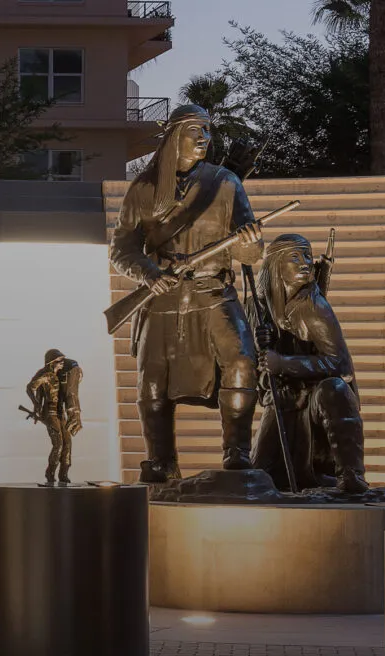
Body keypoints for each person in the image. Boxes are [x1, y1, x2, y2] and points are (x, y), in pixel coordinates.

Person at [109, 104, 265, 483]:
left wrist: (248, 244)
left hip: (214, 292)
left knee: (243, 362)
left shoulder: (226, 182)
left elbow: (251, 254)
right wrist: (148, 273)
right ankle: (161, 462)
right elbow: (122, 248)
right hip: (162, 297)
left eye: (208, 131)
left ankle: (237, 455)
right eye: (196, 130)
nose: (204, 138)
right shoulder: (143, 189)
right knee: (151, 385)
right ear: (174, 136)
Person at [250, 234, 371, 495]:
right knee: (260, 475)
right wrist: (262, 351)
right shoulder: (258, 306)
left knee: (334, 389)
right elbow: (253, 370)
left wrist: (283, 362)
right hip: (284, 400)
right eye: (295, 257)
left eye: (307, 255)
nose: (305, 263)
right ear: (276, 265)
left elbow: (342, 365)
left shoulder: (313, 306)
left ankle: (350, 474)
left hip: (317, 402)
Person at [25, 349, 83, 485]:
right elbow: (29, 387)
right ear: (51, 362)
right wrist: (36, 404)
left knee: (67, 443)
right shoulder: (45, 374)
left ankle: (64, 474)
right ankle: (50, 472)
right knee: (58, 444)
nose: (62, 363)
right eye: (59, 361)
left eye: (62, 360)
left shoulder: (60, 375)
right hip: (50, 413)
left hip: (60, 413)